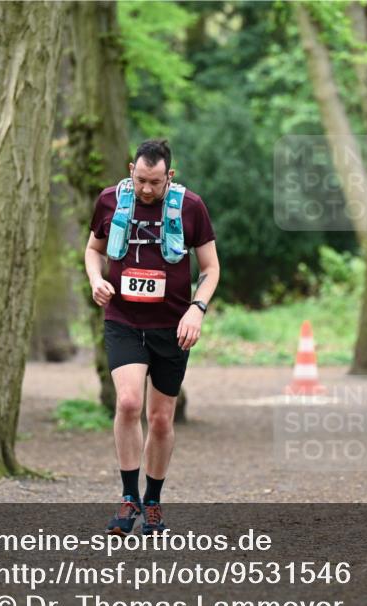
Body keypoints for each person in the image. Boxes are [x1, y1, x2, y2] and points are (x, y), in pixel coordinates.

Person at [85, 139, 220, 535]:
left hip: (172, 325)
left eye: (155, 182)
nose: (146, 189)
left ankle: (154, 502)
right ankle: (129, 498)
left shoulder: (190, 206)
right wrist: (96, 279)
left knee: (160, 419)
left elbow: (211, 268)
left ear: (169, 176)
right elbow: (93, 249)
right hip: (123, 319)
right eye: (141, 179)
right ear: (131, 170)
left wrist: (197, 309)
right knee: (128, 403)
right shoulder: (110, 201)